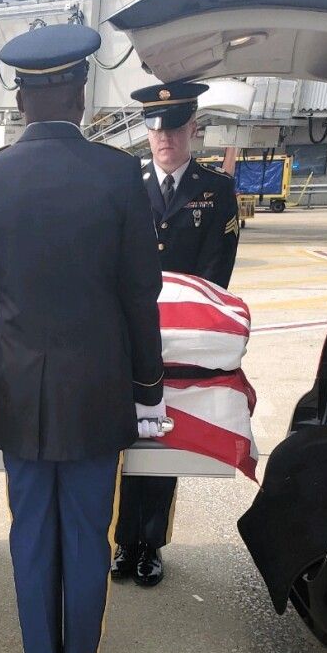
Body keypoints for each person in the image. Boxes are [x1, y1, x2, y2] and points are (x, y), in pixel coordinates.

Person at [0, 23, 168, 653]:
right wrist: (149, 386)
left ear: (22, 99)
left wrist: (5, 368)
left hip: (20, 390)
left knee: (30, 536)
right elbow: (141, 292)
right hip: (97, 393)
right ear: (81, 93)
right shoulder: (118, 175)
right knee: (85, 536)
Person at [111, 81, 240, 588]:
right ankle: (122, 541)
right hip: (129, 335)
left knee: (165, 435)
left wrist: (188, 325)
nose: (162, 136)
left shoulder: (216, 190)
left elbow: (216, 272)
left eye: (172, 126)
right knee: (125, 437)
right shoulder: (126, 186)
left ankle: (151, 543)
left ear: (192, 129)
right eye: (153, 126)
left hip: (182, 338)